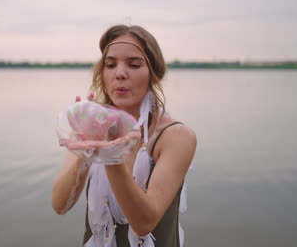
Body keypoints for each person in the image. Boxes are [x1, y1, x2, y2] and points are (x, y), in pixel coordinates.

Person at [52, 24, 197, 247]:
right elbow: (60, 205)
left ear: (154, 74)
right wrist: (84, 152)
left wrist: (110, 156)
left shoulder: (176, 136)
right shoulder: (89, 124)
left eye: (134, 64)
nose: (119, 73)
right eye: (110, 65)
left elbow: (144, 223)